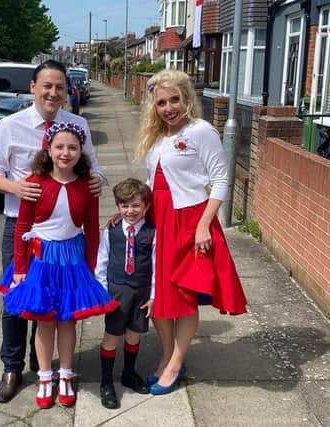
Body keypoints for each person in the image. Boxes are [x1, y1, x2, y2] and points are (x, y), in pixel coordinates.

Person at [0, 59, 106, 403]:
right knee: (16, 301)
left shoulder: (77, 125)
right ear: (33, 87)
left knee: (54, 303)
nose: (53, 92)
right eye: (46, 86)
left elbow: (94, 171)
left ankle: (44, 365)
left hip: (65, 237)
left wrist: (94, 183)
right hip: (22, 228)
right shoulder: (10, 125)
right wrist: (16, 188)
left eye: (60, 87)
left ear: (67, 91)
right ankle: (12, 367)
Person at [134, 69, 248, 395]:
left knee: (183, 296)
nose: (168, 108)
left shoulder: (201, 131)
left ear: (187, 99)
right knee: (157, 294)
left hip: (189, 221)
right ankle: (169, 355)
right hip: (158, 219)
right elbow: (151, 181)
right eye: (161, 102)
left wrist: (203, 225)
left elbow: (221, 180)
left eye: (174, 100)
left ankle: (175, 361)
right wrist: (132, 216)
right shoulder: (157, 137)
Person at [0, 122, 118, 409]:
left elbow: (92, 230)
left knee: (67, 320)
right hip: (41, 261)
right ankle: (45, 377)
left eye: (72, 147)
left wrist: (91, 268)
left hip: (73, 260)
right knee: (44, 320)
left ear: (81, 152)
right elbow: (23, 225)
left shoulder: (87, 186)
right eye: (60, 147)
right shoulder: (35, 183)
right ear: (48, 150)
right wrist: (21, 267)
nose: (66, 152)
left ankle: (65, 374)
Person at [95, 178, 155, 409]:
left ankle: (128, 373)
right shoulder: (111, 231)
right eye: (125, 206)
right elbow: (102, 260)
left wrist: (153, 295)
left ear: (146, 206)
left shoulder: (152, 232)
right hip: (117, 292)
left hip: (141, 293)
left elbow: (155, 264)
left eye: (136, 205)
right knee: (111, 336)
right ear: (118, 207)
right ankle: (106, 382)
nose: (130, 211)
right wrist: (101, 291)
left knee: (133, 335)